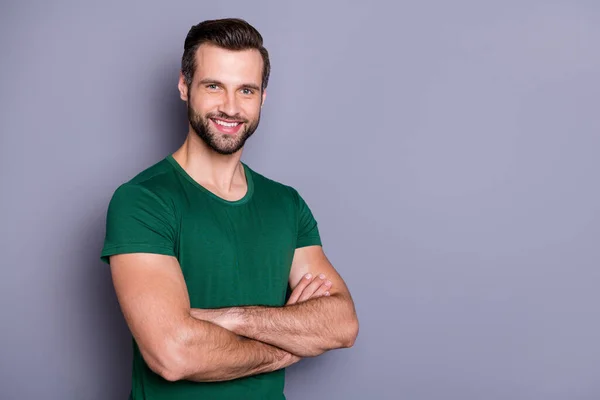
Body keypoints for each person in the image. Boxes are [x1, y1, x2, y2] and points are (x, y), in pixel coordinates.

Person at [100, 17, 359, 400]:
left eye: (247, 91)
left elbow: (341, 324)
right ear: (185, 87)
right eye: (214, 86)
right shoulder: (143, 200)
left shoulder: (285, 204)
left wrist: (229, 317)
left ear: (263, 98)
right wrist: (287, 344)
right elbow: (173, 353)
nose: (231, 107)